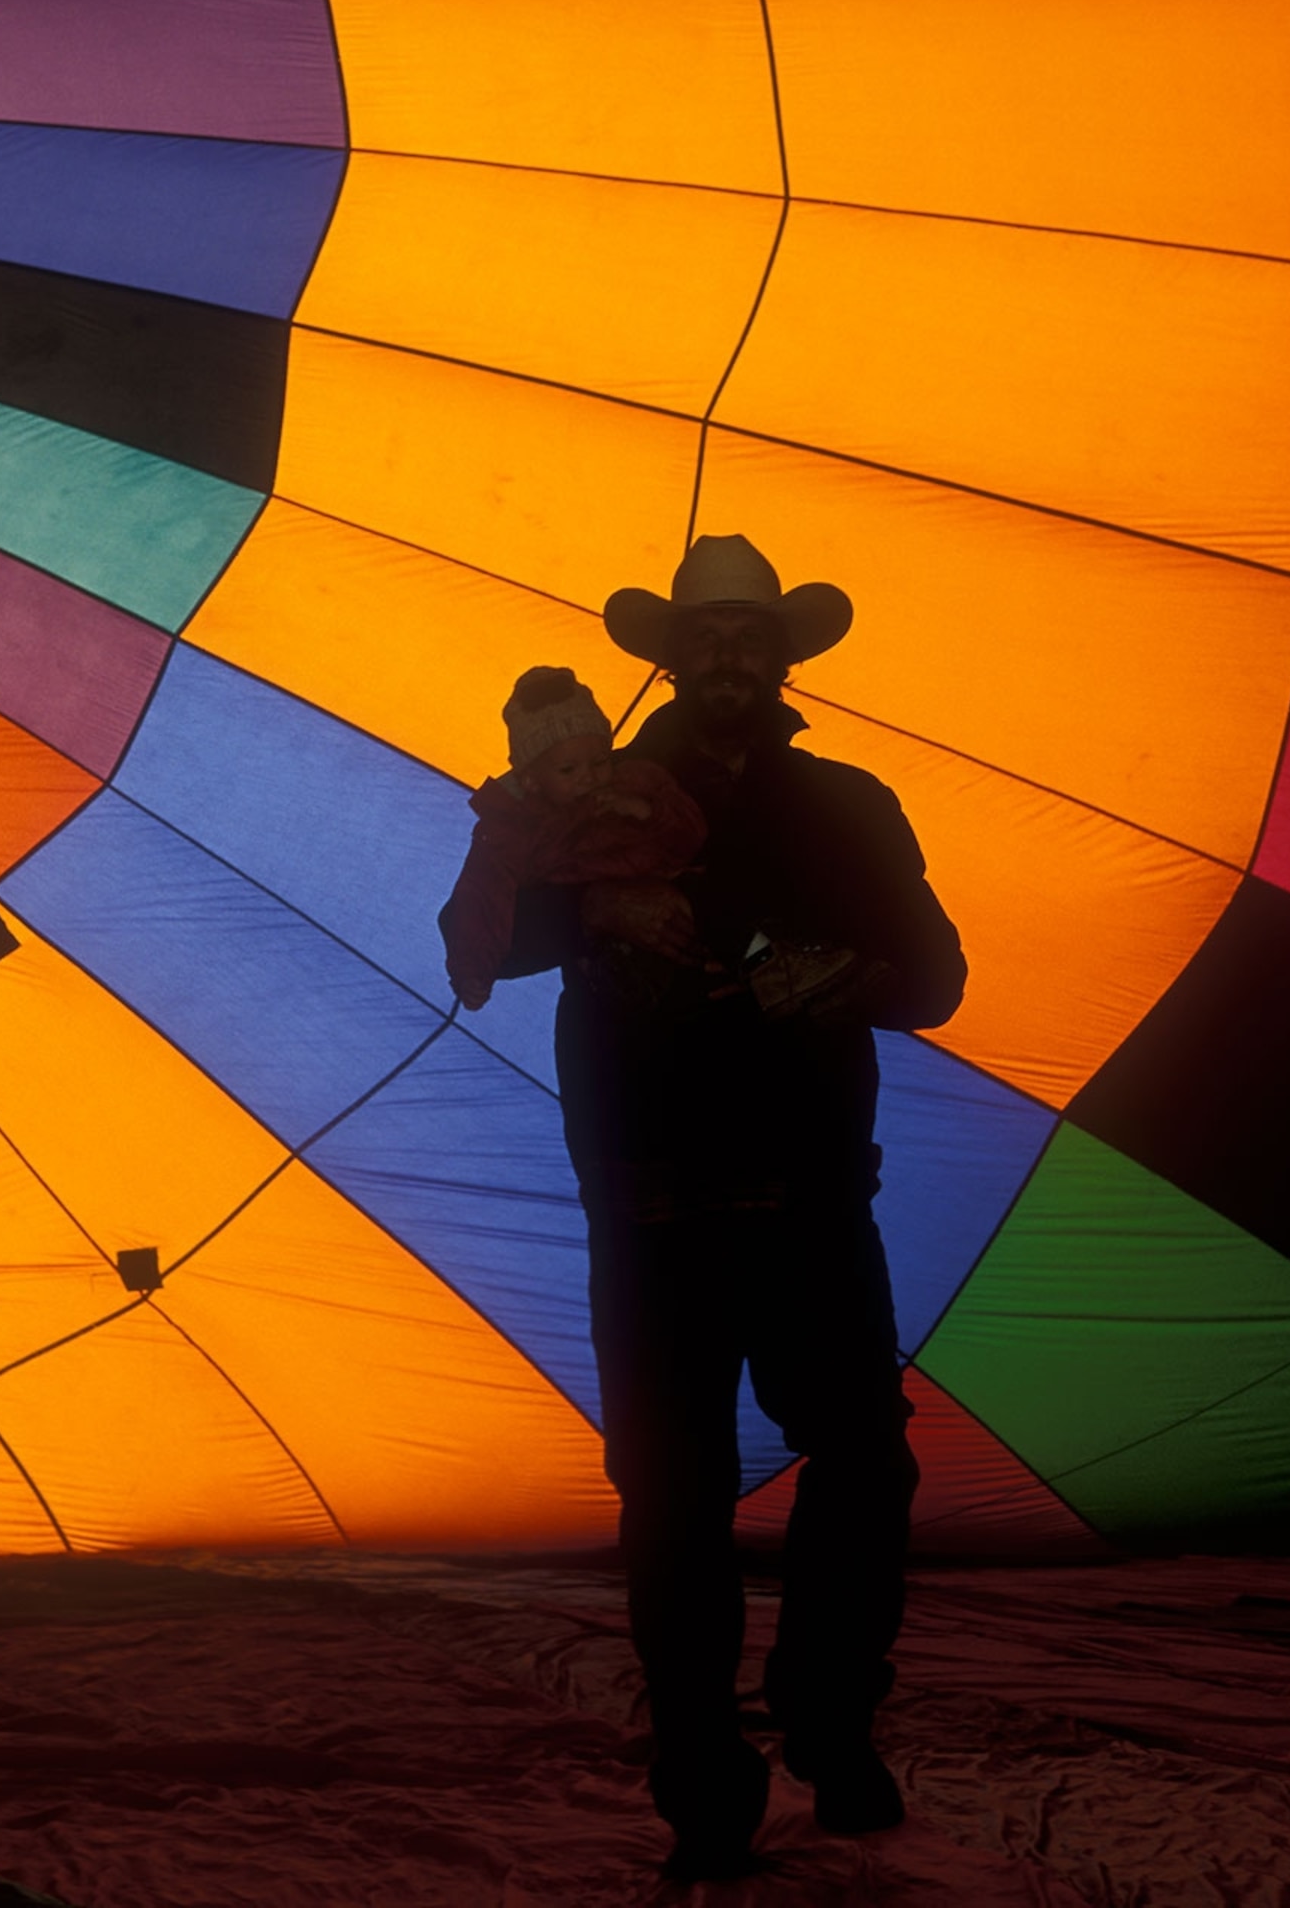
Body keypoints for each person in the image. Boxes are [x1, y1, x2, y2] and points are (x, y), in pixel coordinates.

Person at [442, 533, 966, 1878]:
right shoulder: (584, 800)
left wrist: (842, 976)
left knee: (867, 1461)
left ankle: (825, 1713)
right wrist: (584, 894)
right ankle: (705, 1788)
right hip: (655, 1203)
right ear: (669, 656)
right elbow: (490, 948)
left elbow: (938, 978)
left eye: (754, 638)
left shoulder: (850, 804)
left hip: (809, 1198)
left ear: (785, 657)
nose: (733, 657)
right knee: (670, 1496)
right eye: (709, 637)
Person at [439, 667, 706, 1013]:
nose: (589, 778)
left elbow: (690, 835)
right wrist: (472, 969)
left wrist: (646, 811)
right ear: (532, 781)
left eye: (599, 762)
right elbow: (480, 898)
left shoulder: (637, 782)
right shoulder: (512, 830)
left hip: (693, 921)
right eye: (569, 770)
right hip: (608, 987)